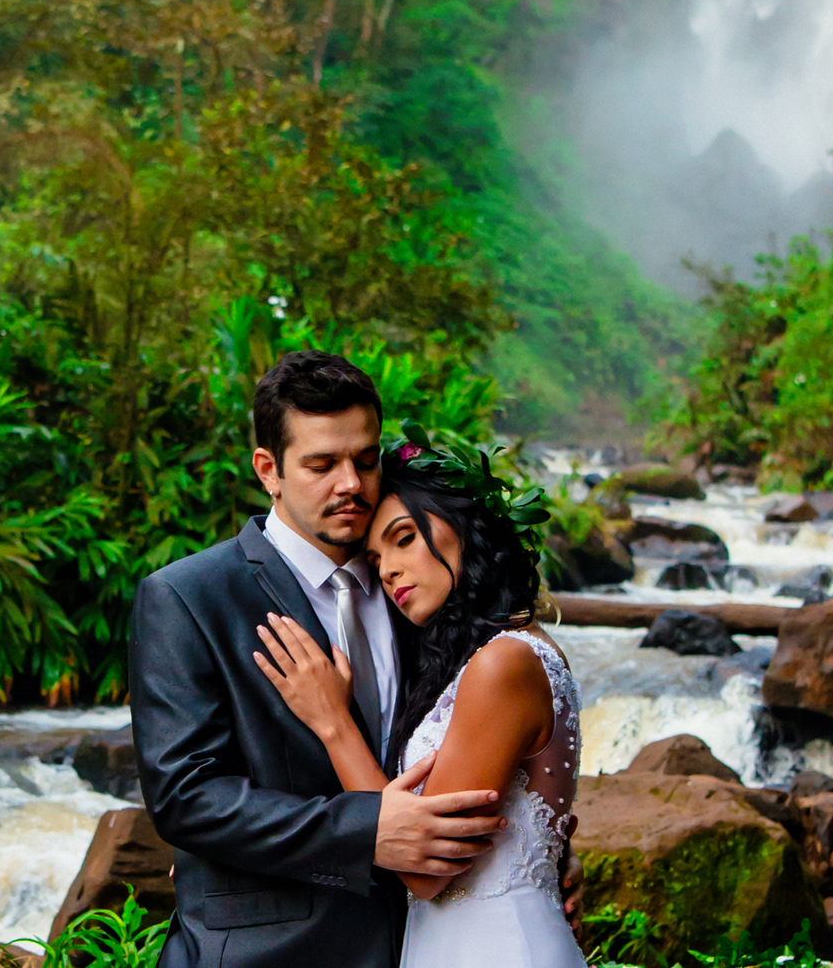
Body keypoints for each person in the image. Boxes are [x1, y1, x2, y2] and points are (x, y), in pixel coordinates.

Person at [130, 350, 583, 968]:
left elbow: (480, 752)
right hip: (270, 951)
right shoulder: (189, 597)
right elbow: (185, 796)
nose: (350, 484)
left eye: (365, 461)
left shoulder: (423, 598)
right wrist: (366, 830)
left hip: (425, 938)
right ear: (269, 470)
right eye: (321, 464)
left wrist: (536, 851)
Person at [251, 434, 589, 968]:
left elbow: (424, 870)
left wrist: (332, 721)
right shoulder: (481, 658)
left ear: (466, 526)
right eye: (376, 557)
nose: (386, 570)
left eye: (404, 539)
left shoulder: (504, 663)